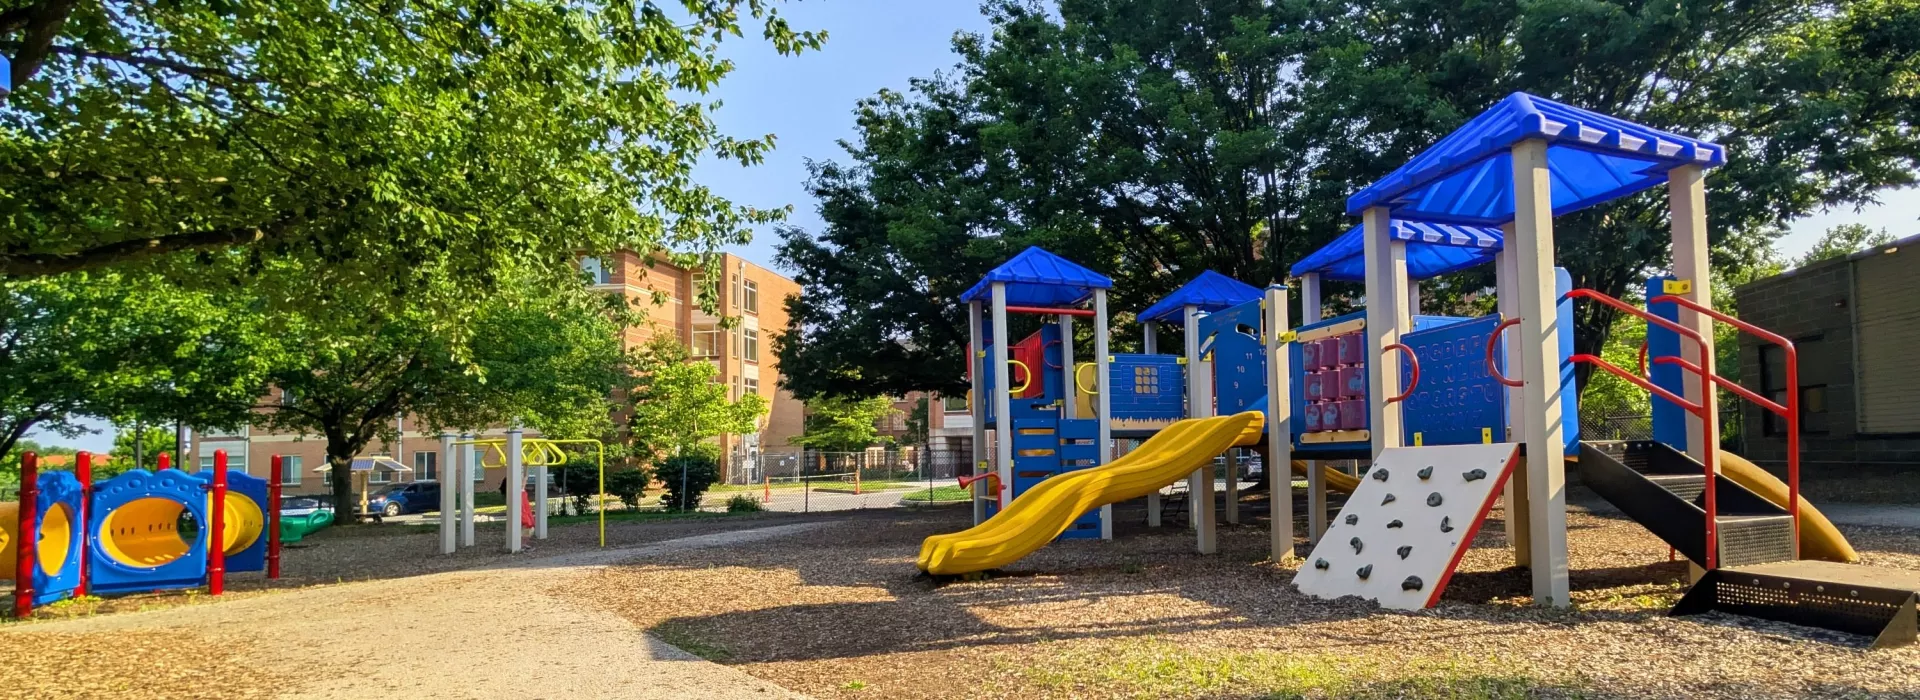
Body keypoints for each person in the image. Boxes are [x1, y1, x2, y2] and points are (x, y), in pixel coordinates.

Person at [519, 486, 535, 550]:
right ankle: (522, 544)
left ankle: (523, 543)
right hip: (523, 513)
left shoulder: (523, 493)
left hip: (525, 512)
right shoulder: (521, 494)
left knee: (529, 527)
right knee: (527, 527)